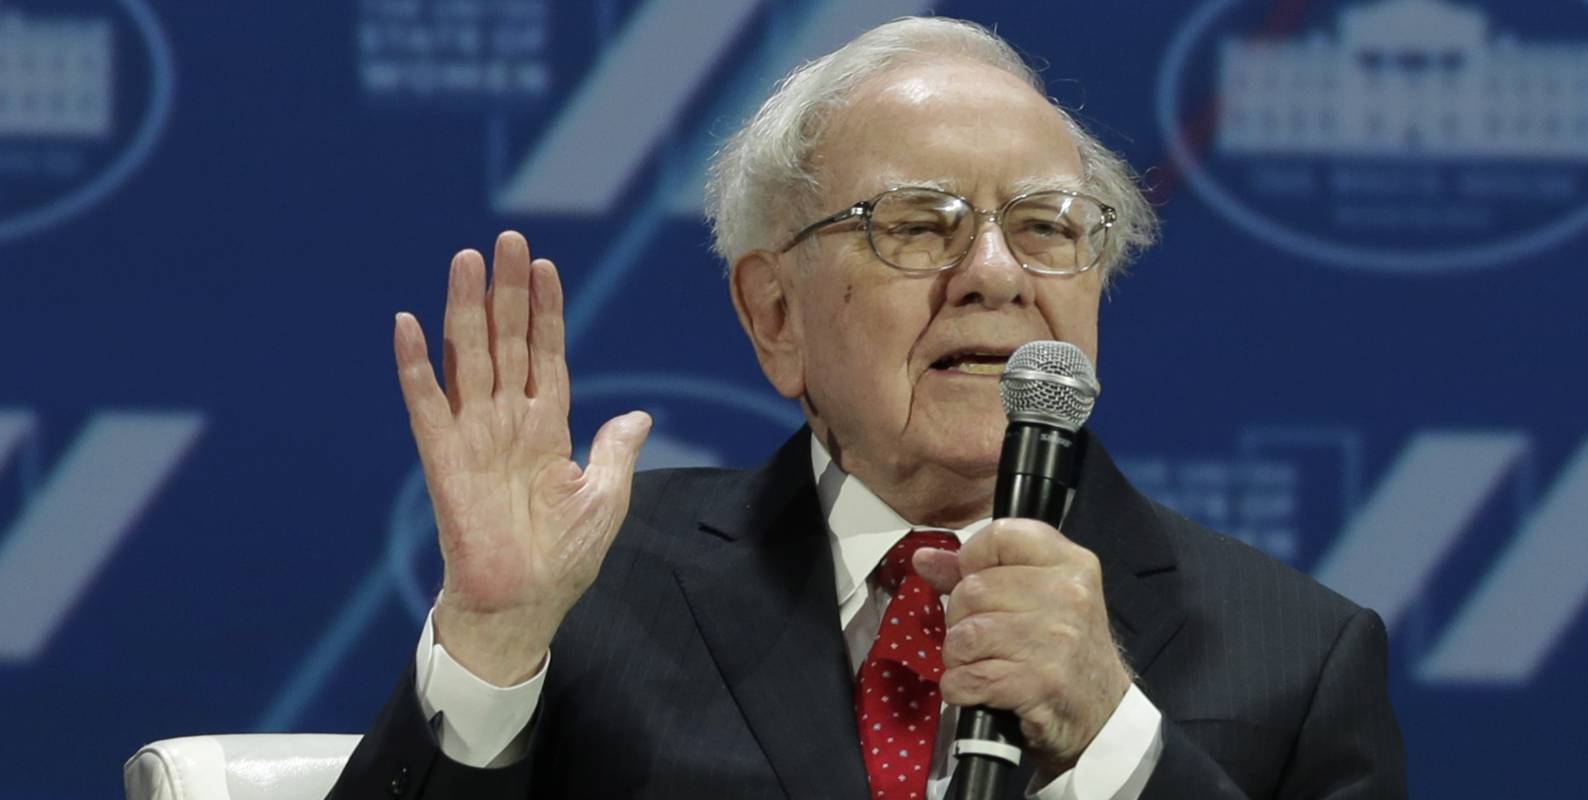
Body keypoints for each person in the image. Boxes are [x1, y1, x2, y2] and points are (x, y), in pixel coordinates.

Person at [329, 17, 1405, 800]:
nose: (995, 275)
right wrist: (491, 646)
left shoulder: (1295, 654)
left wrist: (1113, 741)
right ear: (775, 314)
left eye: (1046, 226)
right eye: (920, 224)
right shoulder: (594, 585)